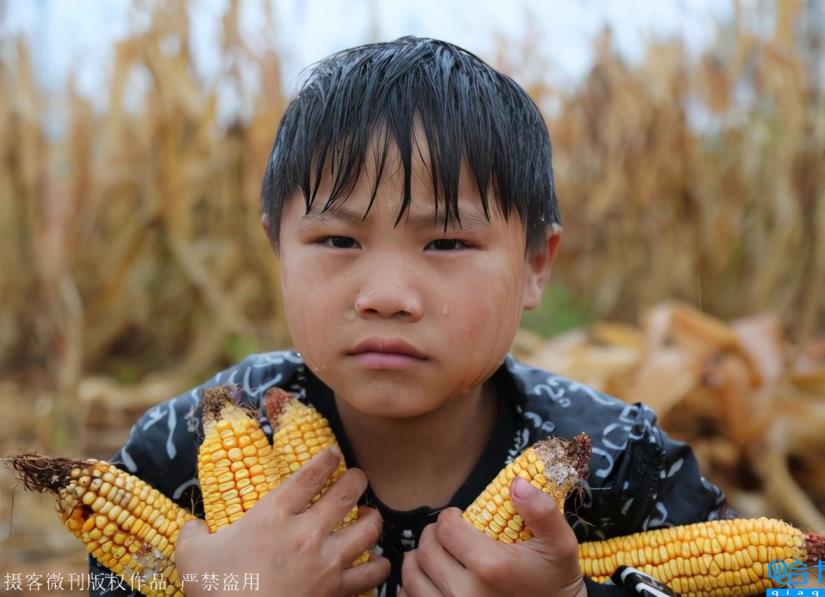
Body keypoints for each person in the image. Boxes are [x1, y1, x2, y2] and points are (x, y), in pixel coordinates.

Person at [88, 36, 737, 597]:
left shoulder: (617, 458)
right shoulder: (183, 450)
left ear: (535, 264)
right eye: (338, 240)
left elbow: (800, 574)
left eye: (447, 243)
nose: (387, 296)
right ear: (277, 250)